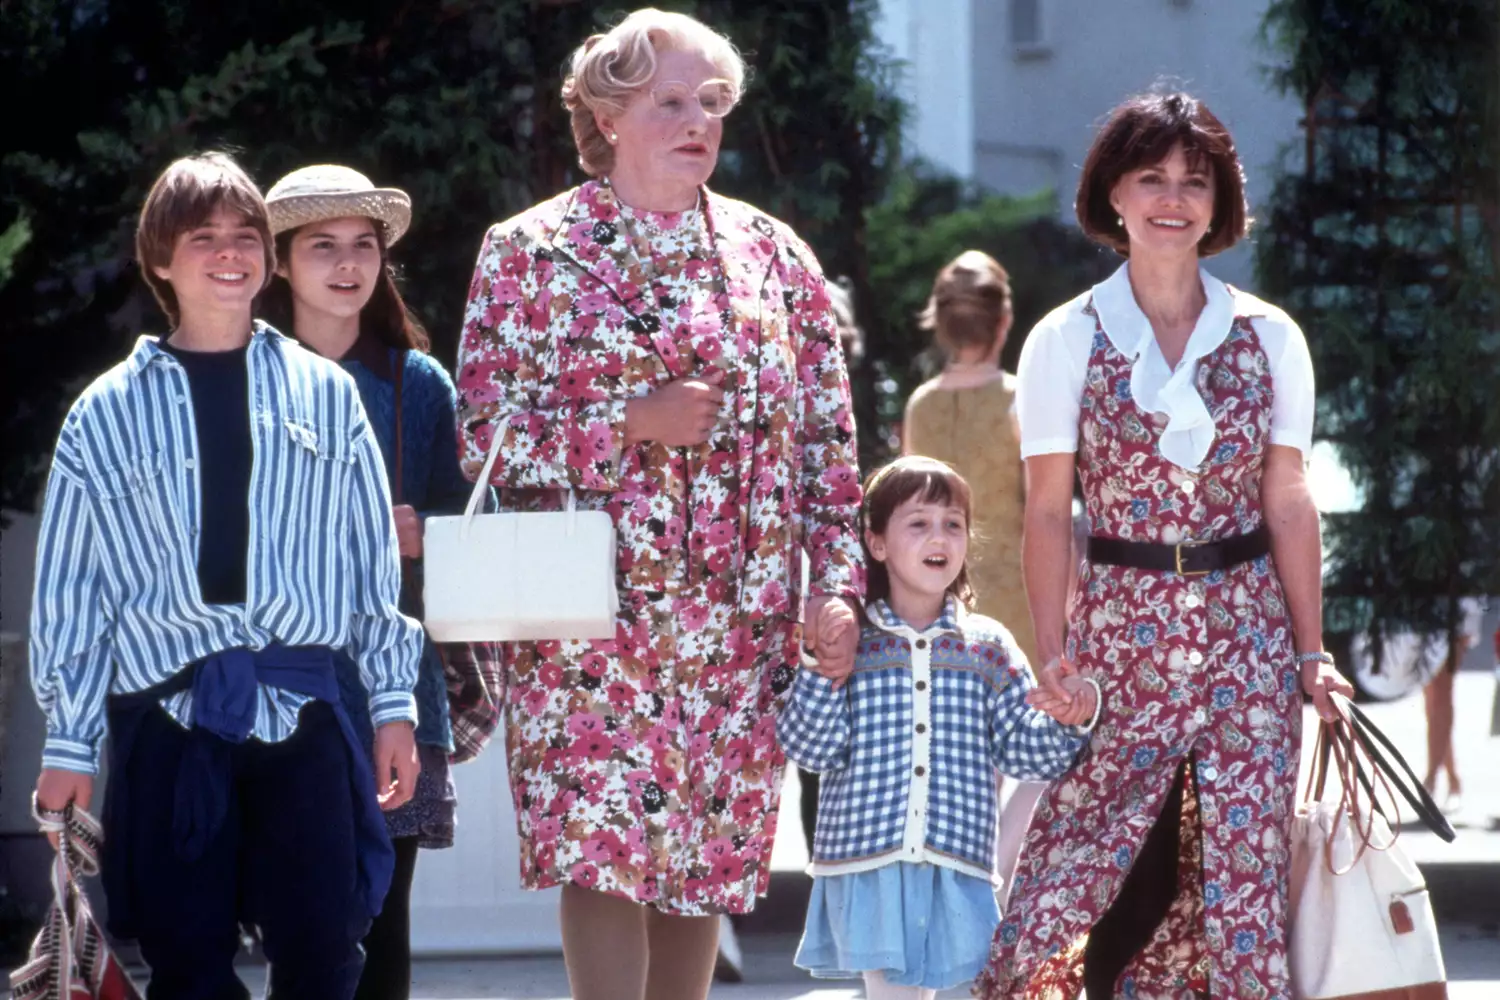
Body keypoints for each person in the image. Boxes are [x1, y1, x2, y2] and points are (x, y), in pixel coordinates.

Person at [452, 9, 864, 1000]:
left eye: (711, 103)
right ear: (608, 111)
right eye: (671, 102)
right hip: (588, 623)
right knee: (601, 852)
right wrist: (629, 418)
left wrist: (839, 586)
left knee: (703, 865)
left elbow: (831, 452)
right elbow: (481, 433)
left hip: (738, 624)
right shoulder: (530, 251)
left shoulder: (775, 257)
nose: (698, 122)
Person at [973, 92, 1354, 1000]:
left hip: (1249, 638)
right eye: (1152, 178)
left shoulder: (1271, 336)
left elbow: (1291, 502)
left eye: (1195, 180)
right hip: (1119, 642)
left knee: (1241, 876)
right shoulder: (1065, 338)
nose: (1173, 199)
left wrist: (1313, 652)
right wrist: (1054, 653)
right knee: (1103, 869)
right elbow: (1046, 511)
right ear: (1113, 194)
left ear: (1221, 202)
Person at [28, 153, 422, 997]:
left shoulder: (325, 394)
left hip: (305, 714)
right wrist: (69, 745)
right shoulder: (102, 412)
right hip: (169, 724)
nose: (229, 253)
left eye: (245, 235)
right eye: (202, 237)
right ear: (160, 260)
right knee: (187, 963)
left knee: (324, 954)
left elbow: (368, 567)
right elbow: (73, 592)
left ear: (267, 257)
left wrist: (392, 705)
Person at [262, 164, 482, 999]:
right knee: (294, 923)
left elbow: (470, 518)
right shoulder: (242, 372)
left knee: (383, 923)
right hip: (275, 682)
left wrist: (425, 534)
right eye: (323, 247)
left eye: (364, 247)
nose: (348, 265)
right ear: (281, 260)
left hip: (394, 686)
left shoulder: (416, 385)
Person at [779, 456, 1100, 1000]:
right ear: (877, 543)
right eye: (919, 522)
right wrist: (821, 670)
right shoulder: (854, 644)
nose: (940, 536)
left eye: (953, 524)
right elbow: (813, 750)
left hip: (954, 857)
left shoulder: (989, 647)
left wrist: (1072, 719)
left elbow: (1025, 754)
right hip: (869, 860)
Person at [900, 252, 1043, 908]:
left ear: (940, 322)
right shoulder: (1020, 400)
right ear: (1004, 320)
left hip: (937, 600)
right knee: (1045, 754)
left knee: (959, 761)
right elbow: (1041, 505)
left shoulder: (920, 406)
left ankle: (960, 889)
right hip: (1016, 595)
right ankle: (993, 876)